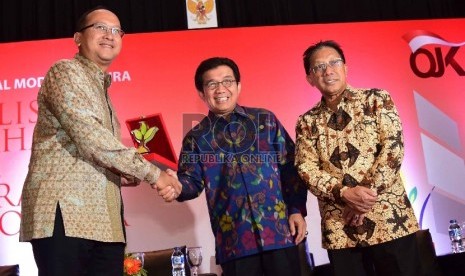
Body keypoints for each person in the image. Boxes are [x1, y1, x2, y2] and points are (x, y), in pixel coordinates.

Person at [19, 6, 179, 276]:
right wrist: (155, 175)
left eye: (116, 30)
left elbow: (95, 152)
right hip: (65, 215)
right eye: (100, 27)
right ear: (78, 38)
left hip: (105, 223)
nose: (109, 35)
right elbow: (91, 138)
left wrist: (124, 173)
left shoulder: (104, 92)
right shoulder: (65, 72)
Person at [164, 57, 308, 276]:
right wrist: (175, 185)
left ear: (239, 86)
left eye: (227, 81)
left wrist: (297, 210)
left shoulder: (265, 120)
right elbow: (191, 183)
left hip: (280, 235)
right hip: (235, 243)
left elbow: (291, 168)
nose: (220, 88)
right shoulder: (197, 137)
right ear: (202, 93)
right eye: (212, 84)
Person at [295, 40, 421, 276]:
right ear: (310, 78)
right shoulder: (306, 122)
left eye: (334, 62)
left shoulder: (376, 100)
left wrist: (364, 198)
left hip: (389, 218)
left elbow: (393, 149)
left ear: (345, 67)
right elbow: (305, 167)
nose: (328, 70)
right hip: (340, 227)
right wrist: (344, 194)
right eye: (319, 67)